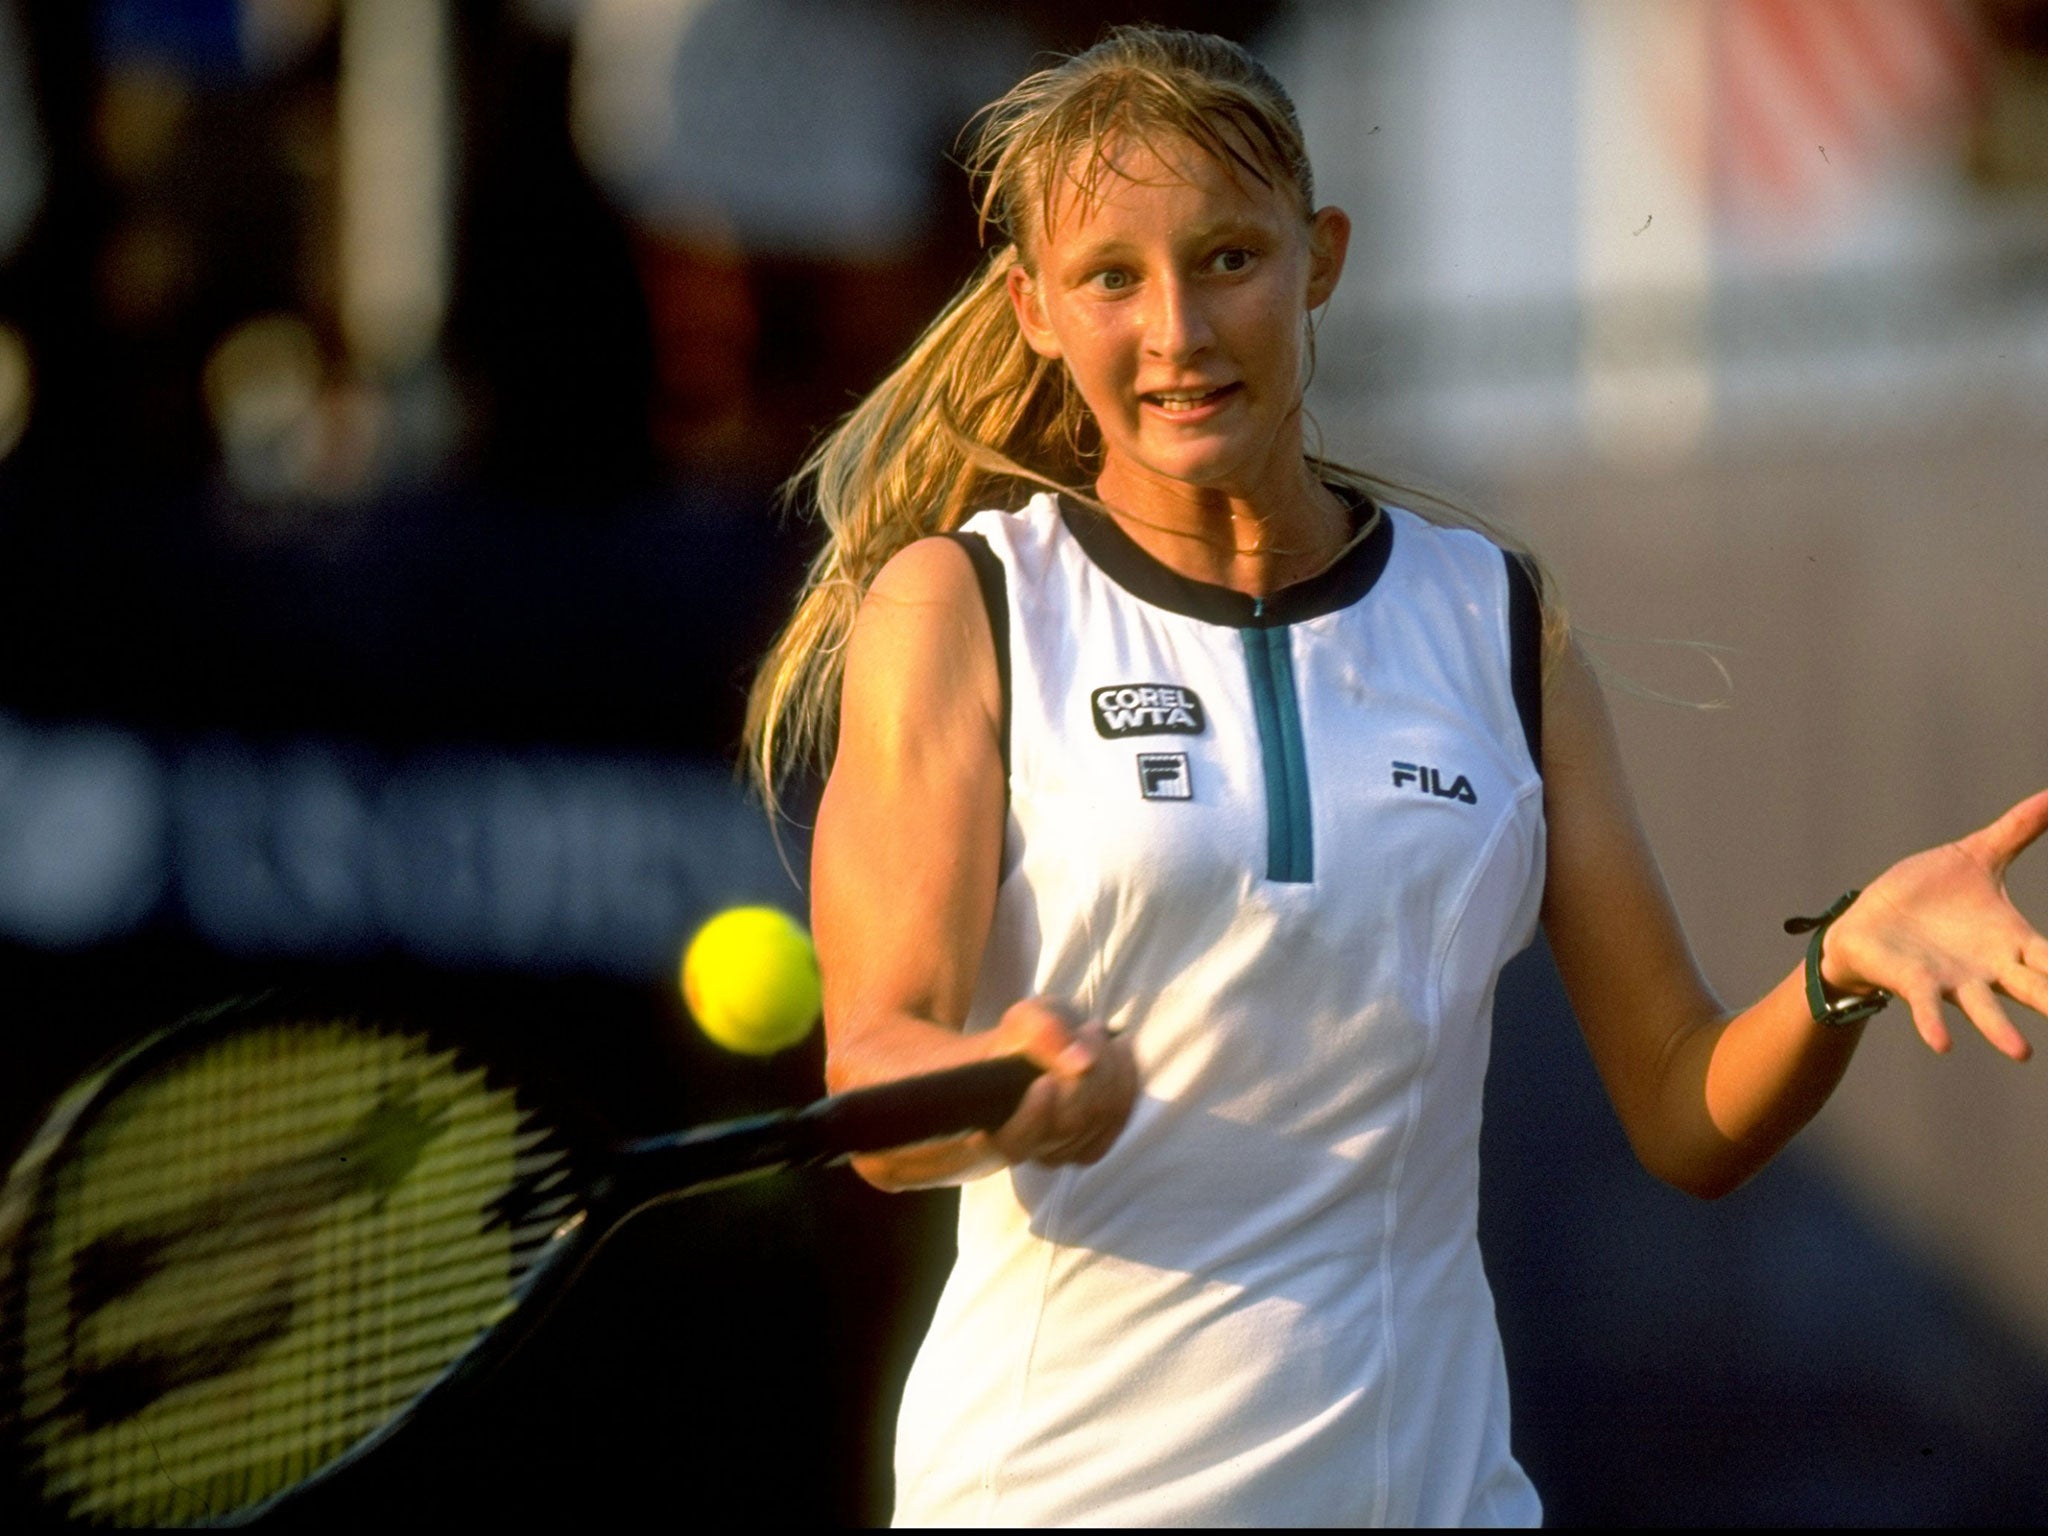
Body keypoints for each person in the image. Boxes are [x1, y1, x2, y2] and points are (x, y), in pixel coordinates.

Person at [744, 25, 2048, 1527]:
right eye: (1112, 277)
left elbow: (1687, 1113)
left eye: (1228, 257)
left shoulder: (1495, 620)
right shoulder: (956, 607)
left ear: (1322, 259)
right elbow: (880, 1081)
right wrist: (1005, 1090)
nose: (1176, 329)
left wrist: (1845, 967)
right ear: (1035, 307)